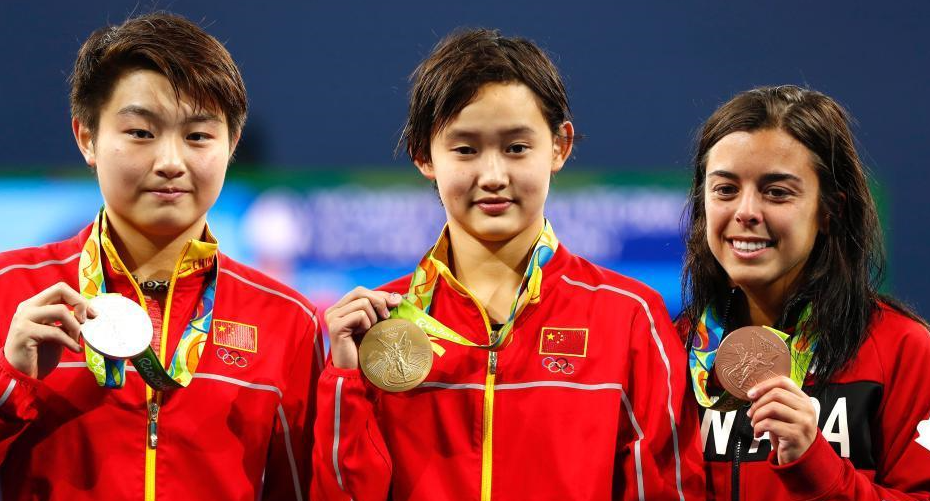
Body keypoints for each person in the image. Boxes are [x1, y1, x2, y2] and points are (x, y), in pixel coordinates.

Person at [313, 28, 704, 501]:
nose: (494, 176)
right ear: (422, 154)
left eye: (516, 148)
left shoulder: (629, 317)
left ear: (559, 146)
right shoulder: (380, 326)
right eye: (465, 149)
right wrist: (345, 380)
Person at [0, 13, 323, 500]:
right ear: (87, 137)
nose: (170, 162)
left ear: (232, 145)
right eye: (140, 132)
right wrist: (11, 384)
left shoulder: (288, 321)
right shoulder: (10, 290)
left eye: (198, 136)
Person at [679, 85, 930, 500]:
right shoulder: (670, 350)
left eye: (777, 192)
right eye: (725, 189)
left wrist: (816, 465)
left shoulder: (903, 350)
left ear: (830, 210)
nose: (745, 212)